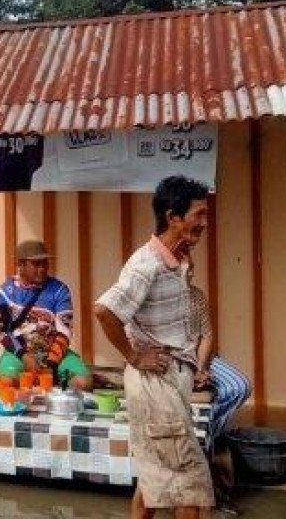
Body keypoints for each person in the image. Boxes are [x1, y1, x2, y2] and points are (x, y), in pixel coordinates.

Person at [94, 175, 215, 519]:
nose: (205, 223)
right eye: (199, 215)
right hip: (156, 384)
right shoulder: (147, 265)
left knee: (153, 483)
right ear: (173, 217)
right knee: (189, 487)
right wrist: (134, 355)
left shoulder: (177, 257)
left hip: (167, 382)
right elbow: (104, 310)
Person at [189, 280, 252, 513]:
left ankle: (206, 438)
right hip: (170, 363)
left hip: (200, 358)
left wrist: (200, 368)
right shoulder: (154, 292)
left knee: (239, 386)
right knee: (201, 403)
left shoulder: (196, 296)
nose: (186, 270)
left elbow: (206, 335)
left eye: (189, 268)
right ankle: (205, 452)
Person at [0, 239, 91, 387]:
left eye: (45, 263)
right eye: (36, 264)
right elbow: (2, 332)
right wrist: (24, 356)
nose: (42, 268)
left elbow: (64, 332)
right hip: (18, 353)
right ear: (21, 264)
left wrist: (51, 364)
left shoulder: (60, 290)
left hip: (54, 353)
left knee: (83, 382)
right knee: (6, 383)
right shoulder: (4, 292)